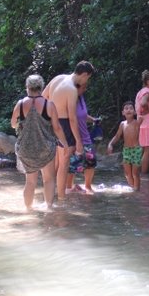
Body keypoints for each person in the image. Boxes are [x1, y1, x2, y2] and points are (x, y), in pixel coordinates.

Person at [12, 74, 69, 210]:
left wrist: (21, 125)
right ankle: (49, 207)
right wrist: (65, 144)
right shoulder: (49, 105)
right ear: (41, 87)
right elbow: (57, 128)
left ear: (27, 87)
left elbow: (13, 124)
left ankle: (28, 210)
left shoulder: (20, 104)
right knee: (48, 179)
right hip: (46, 148)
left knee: (30, 182)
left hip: (26, 148)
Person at [42, 61, 96, 199]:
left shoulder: (58, 78)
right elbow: (72, 118)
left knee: (55, 163)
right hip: (65, 124)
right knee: (64, 163)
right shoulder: (72, 89)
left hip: (51, 121)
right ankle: (61, 198)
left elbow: (43, 96)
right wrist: (78, 141)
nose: (86, 81)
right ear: (84, 75)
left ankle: (50, 195)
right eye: (88, 78)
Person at [66, 81, 98, 194]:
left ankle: (88, 188)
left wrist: (93, 119)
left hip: (86, 137)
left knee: (91, 162)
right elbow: (71, 118)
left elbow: (83, 115)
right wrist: (77, 140)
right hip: (73, 138)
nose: (85, 89)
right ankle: (68, 189)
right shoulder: (70, 99)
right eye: (83, 87)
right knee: (72, 165)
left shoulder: (81, 98)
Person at [107, 101, 141, 191]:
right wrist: (110, 144)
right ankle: (132, 188)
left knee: (135, 173)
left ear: (135, 112)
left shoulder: (137, 122)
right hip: (126, 150)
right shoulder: (122, 124)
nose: (128, 110)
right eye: (126, 108)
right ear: (123, 112)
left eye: (131, 108)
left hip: (136, 149)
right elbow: (117, 136)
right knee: (127, 174)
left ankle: (136, 190)